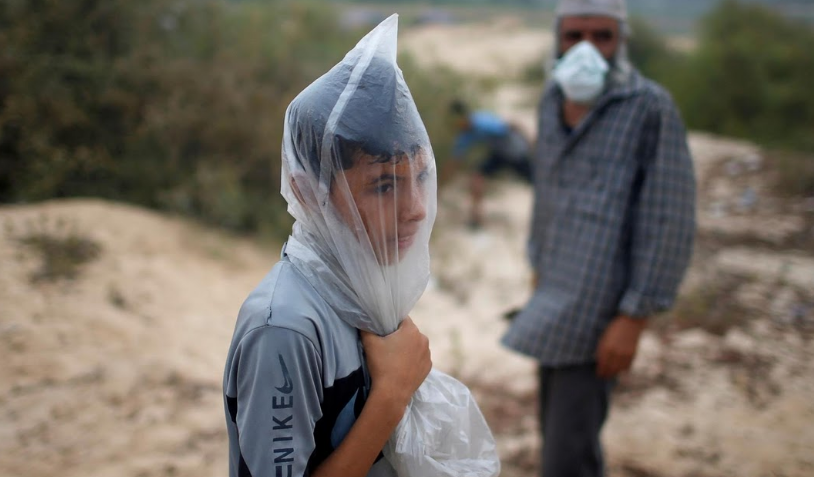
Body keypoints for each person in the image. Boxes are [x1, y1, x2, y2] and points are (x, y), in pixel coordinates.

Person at [221, 19, 435, 477]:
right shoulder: (285, 329)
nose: (416, 209)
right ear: (304, 192)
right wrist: (392, 395)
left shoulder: (365, 286)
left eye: (420, 177)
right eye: (383, 187)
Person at [501, 1, 697, 476]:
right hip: (551, 295)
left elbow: (668, 217)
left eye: (602, 36)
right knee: (560, 435)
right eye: (575, 36)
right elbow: (548, 194)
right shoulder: (551, 99)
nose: (588, 48)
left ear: (621, 41)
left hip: (599, 310)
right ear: (558, 40)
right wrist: (537, 270)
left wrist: (633, 316)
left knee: (567, 455)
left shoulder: (649, 107)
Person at [446, 100, 533, 228]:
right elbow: (455, 160)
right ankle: (476, 218)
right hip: (499, 155)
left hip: (516, 154)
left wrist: (531, 143)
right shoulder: (465, 134)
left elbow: (513, 125)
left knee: (537, 182)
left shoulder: (482, 122)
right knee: (477, 177)